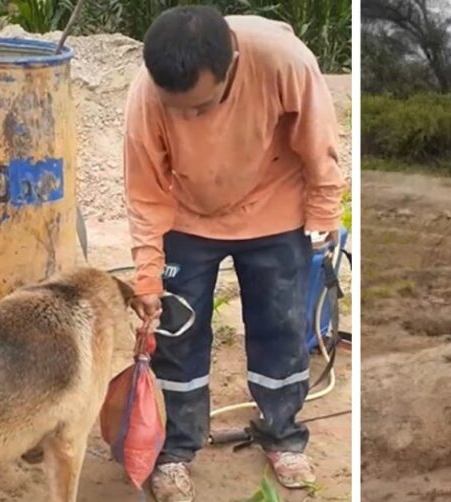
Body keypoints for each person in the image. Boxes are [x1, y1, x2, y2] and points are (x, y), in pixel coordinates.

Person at [123, 6, 345, 502]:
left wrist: (323, 216)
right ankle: (175, 450)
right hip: (187, 216)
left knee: (281, 327)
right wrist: (147, 278)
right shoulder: (147, 93)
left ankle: (282, 434)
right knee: (176, 336)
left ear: (233, 67)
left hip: (274, 205)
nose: (189, 118)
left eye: (201, 108)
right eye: (177, 108)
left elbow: (319, 141)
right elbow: (144, 193)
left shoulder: (283, 60)